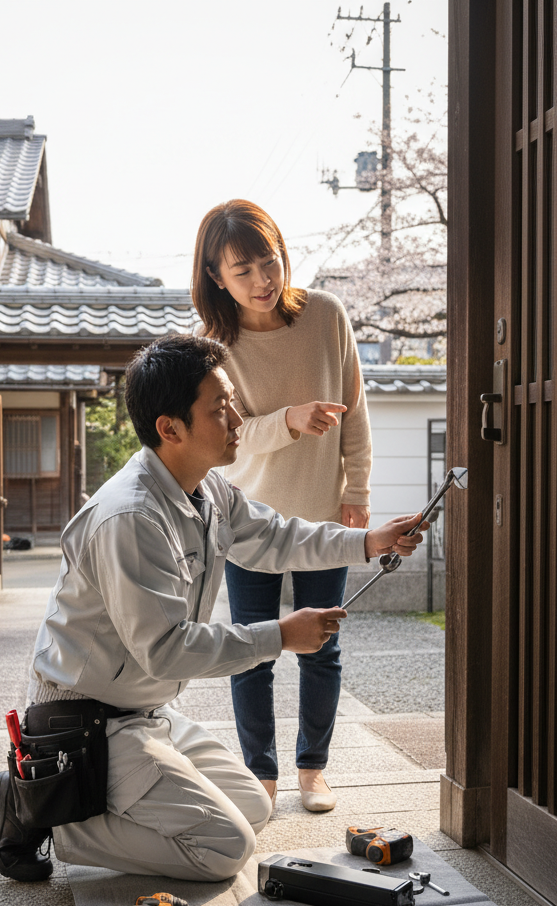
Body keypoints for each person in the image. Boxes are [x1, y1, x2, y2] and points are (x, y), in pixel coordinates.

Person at [0, 335, 426, 883]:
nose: (238, 419)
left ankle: (89, 802)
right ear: (170, 429)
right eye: (219, 409)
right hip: (88, 723)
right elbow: (167, 650)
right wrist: (281, 636)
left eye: (233, 403)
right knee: (223, 850)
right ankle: (54, 818)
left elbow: (277, 537)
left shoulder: (209, 489)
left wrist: (369, 542)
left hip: (148, 713)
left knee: (253, 804)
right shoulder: (130, 518)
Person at [191, 199, 371, 812]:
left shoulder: (325, 315)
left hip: (321, 512)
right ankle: (260, 777)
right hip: (247, 519)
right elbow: (227, 438)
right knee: (254, 648)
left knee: (322, 644)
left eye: (269, 261)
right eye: (243, 270)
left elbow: (354, 411)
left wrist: (357, 490)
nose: (263, 280)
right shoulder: (213, 345)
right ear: (216, 276)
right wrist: (289, 420)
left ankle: (312, 769)